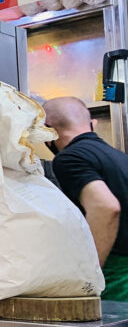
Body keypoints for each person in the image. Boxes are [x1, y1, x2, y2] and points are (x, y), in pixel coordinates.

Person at [44, 97, 128, 299]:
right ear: (92, 124)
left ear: (48, 131)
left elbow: (106, 206)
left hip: (116, 278)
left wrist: (89, 275)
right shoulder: (119, 157)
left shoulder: (70, 157)